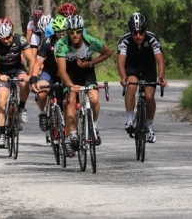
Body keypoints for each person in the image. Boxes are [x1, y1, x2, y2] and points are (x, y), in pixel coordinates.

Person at [55, 15, 112, 156]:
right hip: (70, 74)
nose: (75, 35)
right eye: (72, 32)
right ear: (68, 31)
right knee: (71, 98)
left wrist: (91, 63)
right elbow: (61, 70)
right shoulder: (62, 44)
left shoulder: (90, 41)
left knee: (94, 98)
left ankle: (94, 127)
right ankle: (73, 133)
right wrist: (70, 85)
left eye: (78, 31)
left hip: (87, 72)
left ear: (82, 31)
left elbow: (108, 52)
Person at [117, 12, 168, 143]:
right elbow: (121, 62)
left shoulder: (152, 38)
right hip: (132, 67)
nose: (138, 36)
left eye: (141, 32)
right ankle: (129, 119)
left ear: (146, 29)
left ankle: (149, 127)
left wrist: (161, 77)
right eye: (135, 33)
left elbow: (160, 61)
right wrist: (123, 77)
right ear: (131, 31)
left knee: (149, 96)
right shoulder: (125, 40)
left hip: (148, 67)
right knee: (132, 85)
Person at [0, 17, 36, 148]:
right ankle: (2, 135)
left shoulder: (20, 39)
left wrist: (29, 75)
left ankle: (21, 107)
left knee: (24, 83)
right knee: (2, 101)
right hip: (2, 72)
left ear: (12, 32)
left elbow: (31, 59)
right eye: (3, 38)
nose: (7, 40)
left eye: (8, 36)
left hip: (17, 68)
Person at [29, 15, 67, 132]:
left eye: (64, 32)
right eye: (58, 33)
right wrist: (34, 79)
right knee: (41, 93)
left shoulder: (72, 42)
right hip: (49, 72)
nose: (61, 35)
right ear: (54, 32)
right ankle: (43, 113)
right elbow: (38, 62)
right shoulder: (47, 42)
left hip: (66, 73)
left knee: (67, 101)